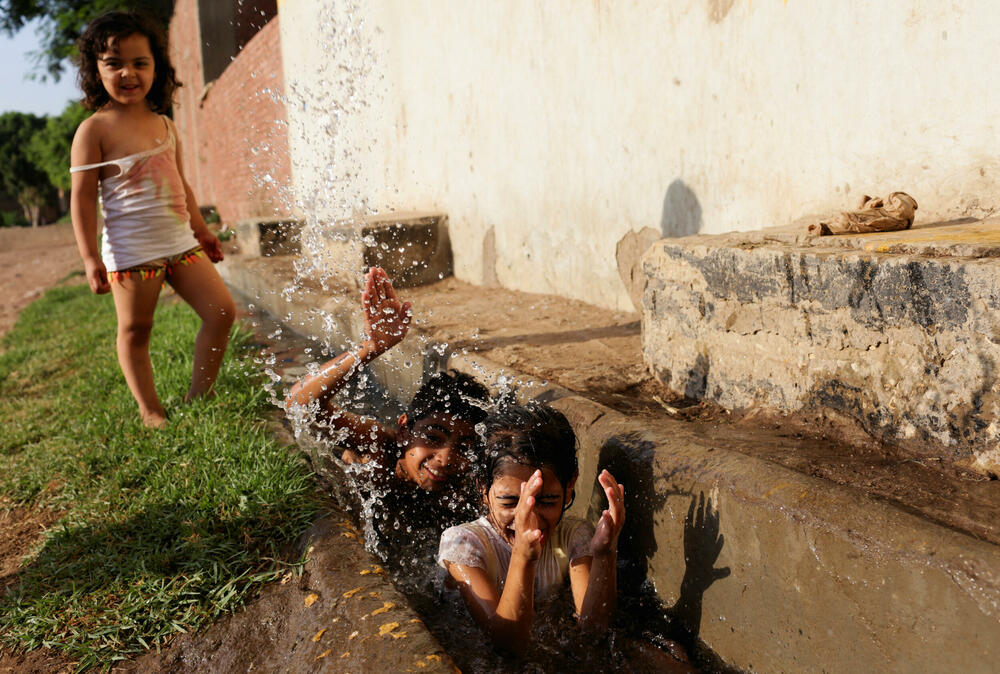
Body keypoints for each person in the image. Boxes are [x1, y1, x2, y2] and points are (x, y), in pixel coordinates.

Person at [70, 11, 234, 428]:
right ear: (96, 70)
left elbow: (181, 184)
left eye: (139, 62)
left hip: (180, 243)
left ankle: (201, 393)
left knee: (221, 312)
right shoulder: (94, 131)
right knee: (136, 330)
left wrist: (201, 229)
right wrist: (91, 259)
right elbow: (83, 200)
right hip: (131, 252)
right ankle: (150, 410)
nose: (128, 73)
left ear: (156, 67)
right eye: (114, 63)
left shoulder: (165, 125)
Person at [285, 266, 490, 498]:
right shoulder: (379, 448)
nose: (445, 459)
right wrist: (371, 348)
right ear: (404, 430)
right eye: (433, 438)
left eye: (464, 448)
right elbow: (300, 406)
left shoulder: (466, 488)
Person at [437, 402, 625, 654]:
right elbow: (506, 646)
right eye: (510, 502)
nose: (529, 519)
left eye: (547, 501)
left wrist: (604, 553)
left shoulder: (573, 535)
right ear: (483, 489)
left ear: (570, 486)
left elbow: (593, 633)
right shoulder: (463, 545)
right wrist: (523, 555)